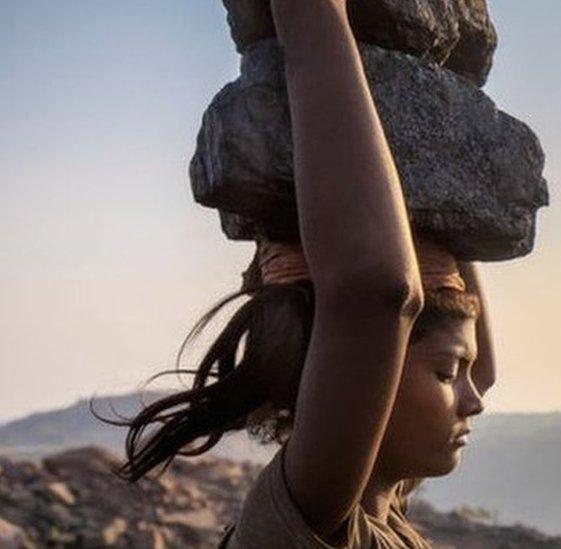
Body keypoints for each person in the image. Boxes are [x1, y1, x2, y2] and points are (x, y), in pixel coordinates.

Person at [109, 0, 496, 546]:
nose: (475, 397)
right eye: (448, 372)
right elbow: (375, 292)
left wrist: (438, 121)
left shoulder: (383, 504)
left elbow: (465, 359)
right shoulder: (309, 520)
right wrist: (313, 18)